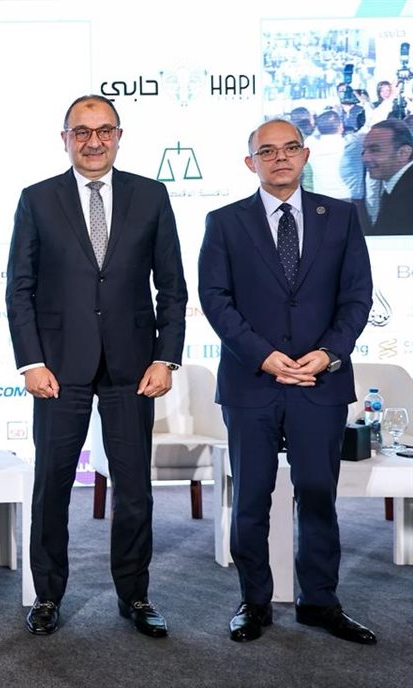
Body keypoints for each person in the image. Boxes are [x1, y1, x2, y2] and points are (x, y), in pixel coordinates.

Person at [6, 94, 187, 638]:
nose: (93, 141)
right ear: (65, 139)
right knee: (52, 485)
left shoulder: (151, 196)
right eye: (81, 132)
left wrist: (166, 356)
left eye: (104, 130)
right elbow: (19, 289)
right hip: (59, 369)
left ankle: (135, 596)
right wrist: (31, 362)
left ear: (119, 136)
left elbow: (172, 286)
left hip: (134, 368)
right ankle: (47, 595)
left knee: (134, 489)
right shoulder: (37, 199)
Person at [198, 118, 376, 645]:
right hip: (252, 382)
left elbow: (357, 297)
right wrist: (265, 357)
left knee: (318, 494)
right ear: (250, 162)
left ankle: (320, 602)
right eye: (267, 151)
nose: (280, 158)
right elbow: (216, 300)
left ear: (305, 155)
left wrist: (327, 354)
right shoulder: (224, 222)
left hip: (320, 383)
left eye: (290, 148)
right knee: (251, 497)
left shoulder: (341, 216)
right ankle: (254, 602)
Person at [359, 119, 413, 235]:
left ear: (403, 153)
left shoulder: (408, 196)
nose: (365, 158)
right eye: (364, 151)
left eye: (375, 150)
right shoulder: (397, 185)